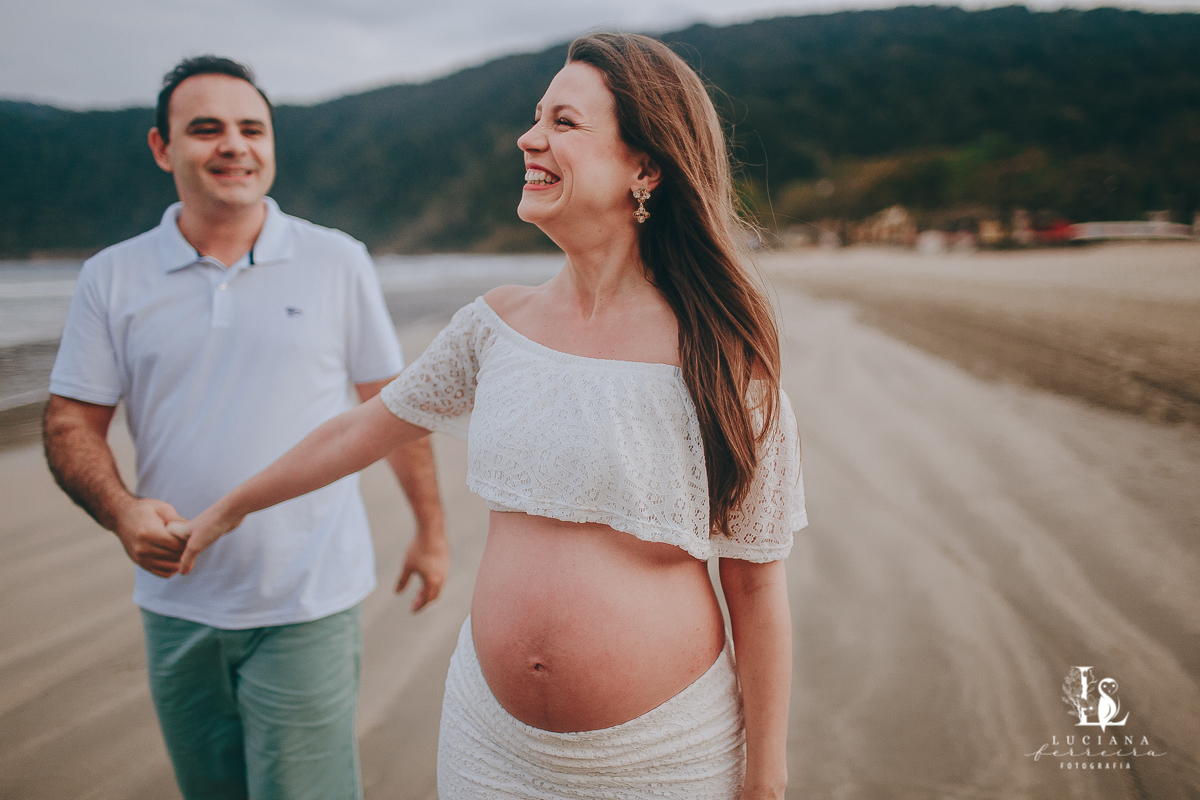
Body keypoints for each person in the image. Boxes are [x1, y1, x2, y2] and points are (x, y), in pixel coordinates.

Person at [176, 33, 805, 800]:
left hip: (663, 757)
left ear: (645, 166)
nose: (529, 137)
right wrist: (226, 512)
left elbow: (757, 587)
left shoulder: (722, 357)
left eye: (563, 123)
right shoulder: (495, 326)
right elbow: (358, 429)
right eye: (536, 116)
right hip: (489, 746)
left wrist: (765, 779)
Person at [42, 55, 449, 800]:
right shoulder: (112, 276)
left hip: (306, 596)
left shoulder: (337, 260)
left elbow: (392, 411)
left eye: (251, 128)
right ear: (163, 149)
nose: (234, 144)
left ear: (271, 145)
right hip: (174, 599)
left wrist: (431, 531)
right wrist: (121, 510)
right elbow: (72, 419)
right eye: (206, 129)